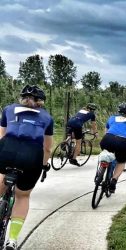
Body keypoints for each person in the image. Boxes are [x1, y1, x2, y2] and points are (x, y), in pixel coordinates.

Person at [0, 85, 53, 250]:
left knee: (1, 181)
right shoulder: (47, 117)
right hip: (32, 155)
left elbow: (1, 135)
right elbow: (47, 148)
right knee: (22, 196)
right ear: (41, 102)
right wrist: (44, 166)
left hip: (7, 149)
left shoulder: (8, 109)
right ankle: (12, 240)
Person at [99, 103, 126, 193]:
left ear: (119, 111)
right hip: (122, 141)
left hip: (107, 138)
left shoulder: (112, 118)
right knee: (121, 162)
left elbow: (106, 131)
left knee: (106, 153)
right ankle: (114, 181)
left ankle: (100, 172)